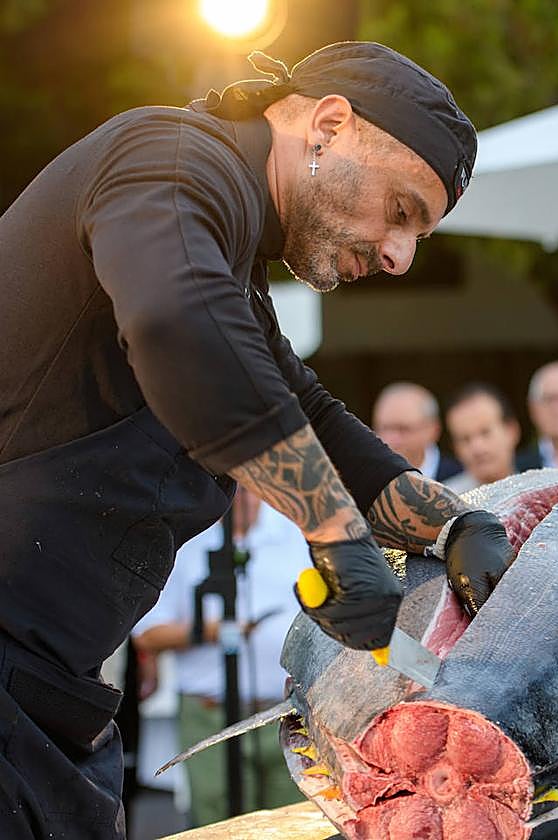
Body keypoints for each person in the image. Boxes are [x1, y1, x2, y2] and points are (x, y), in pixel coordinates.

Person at [0, 42, 514, 838]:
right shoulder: (165, 157)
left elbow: (311, 417)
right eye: (401, 211)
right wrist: (335, 534)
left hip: (46, 693)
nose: (398, 255)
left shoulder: (229, 257)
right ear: (330, 126)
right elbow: (179, 326)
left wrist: (457, 524)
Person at [133, 489, 306, 827]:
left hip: (286, 712)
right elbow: (147, 633)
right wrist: (211, 630)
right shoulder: (186, 543)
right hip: (210, 715)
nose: (242, 496)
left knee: (293, 823)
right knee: (219, 823)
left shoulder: (296, 535)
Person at [372, 381, 462, 482]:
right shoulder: (365, 480)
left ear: (433, 430)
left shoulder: (460, 477)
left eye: (403, 429)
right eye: (384, 428)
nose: (391, 440)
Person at [444, 384, 522, 493]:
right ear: (455, 448)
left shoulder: (544, 493)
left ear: (512, 431)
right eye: (465, 439)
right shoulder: (444, 504)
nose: (477, 448)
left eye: (485, 433)